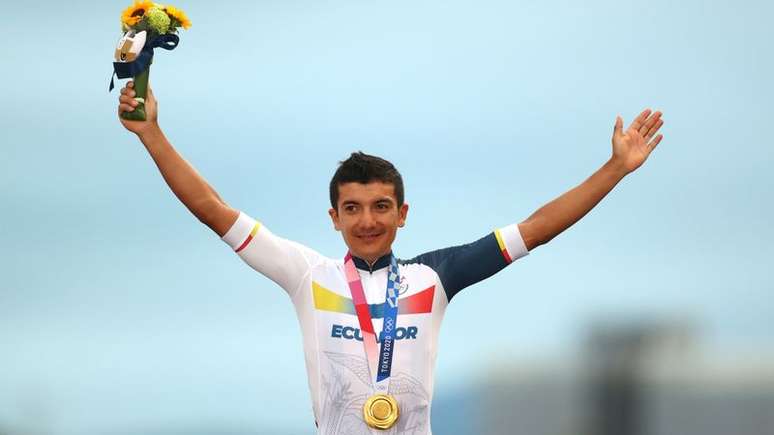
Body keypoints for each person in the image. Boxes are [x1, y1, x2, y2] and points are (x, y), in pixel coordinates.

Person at [117, 81, 664, 435]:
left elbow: (537, 228)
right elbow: (213, 210)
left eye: (381, 206)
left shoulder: (436, 277)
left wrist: (613, 170)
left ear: (403, 213)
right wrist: (152, 134)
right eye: (352, 208)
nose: (368, 220)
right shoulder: (307, 274)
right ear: (333, 218)